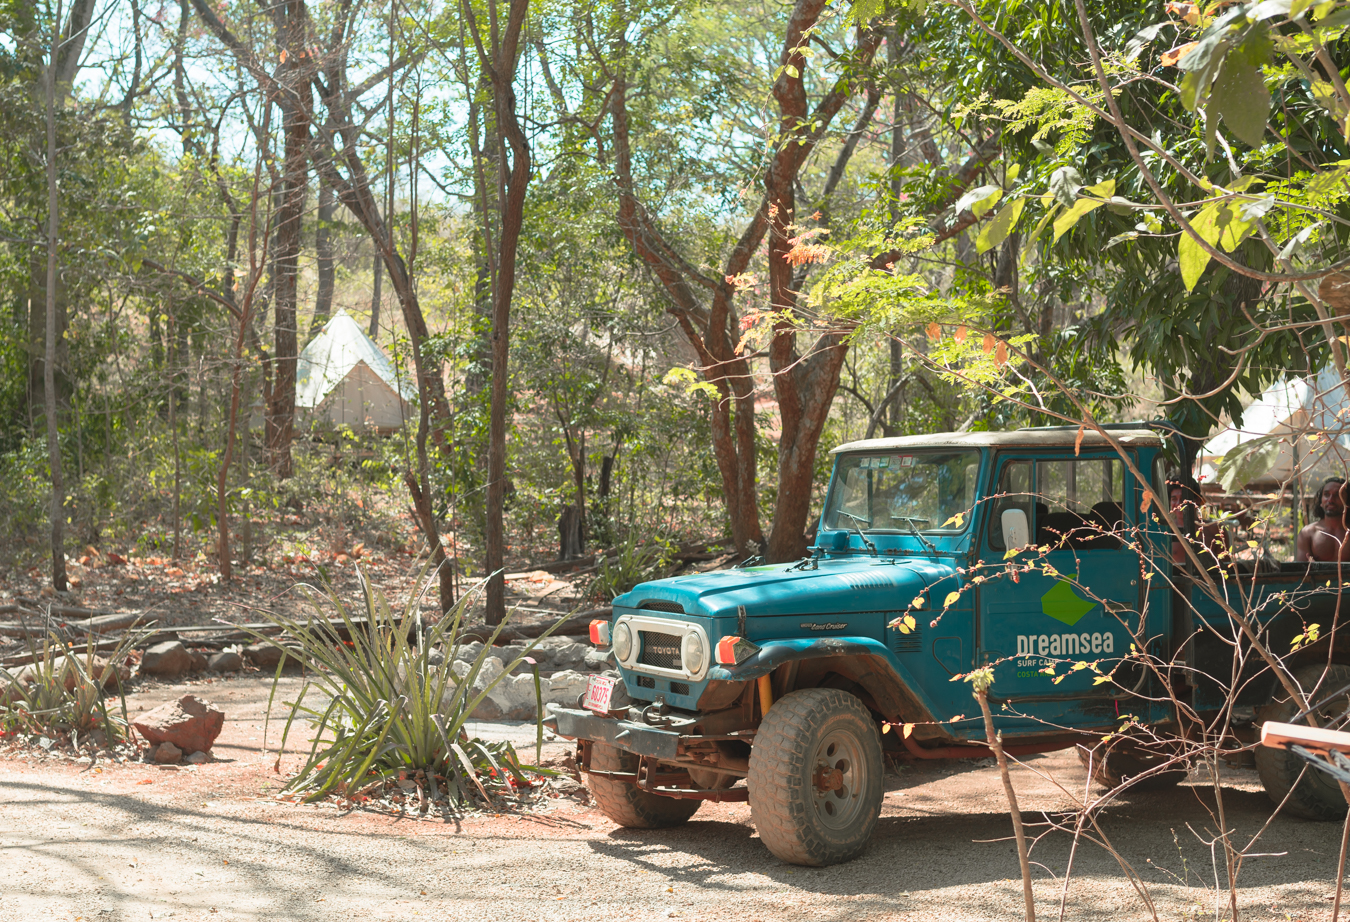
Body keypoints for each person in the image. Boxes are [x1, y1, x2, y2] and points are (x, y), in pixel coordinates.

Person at [1169, 480, 1228, 564]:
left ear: (1196, 501)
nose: (1179, 503)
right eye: (1174, 499)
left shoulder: (1215, 530)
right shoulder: (1166, 531)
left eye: (1183, 499)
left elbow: (1225, 567)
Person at [1296, 477, 1347, 562]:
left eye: (1338, 495)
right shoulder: (1308, 533)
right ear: (1321, 501)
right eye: (1326, 495)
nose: (1330, 500)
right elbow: (1302, 571)